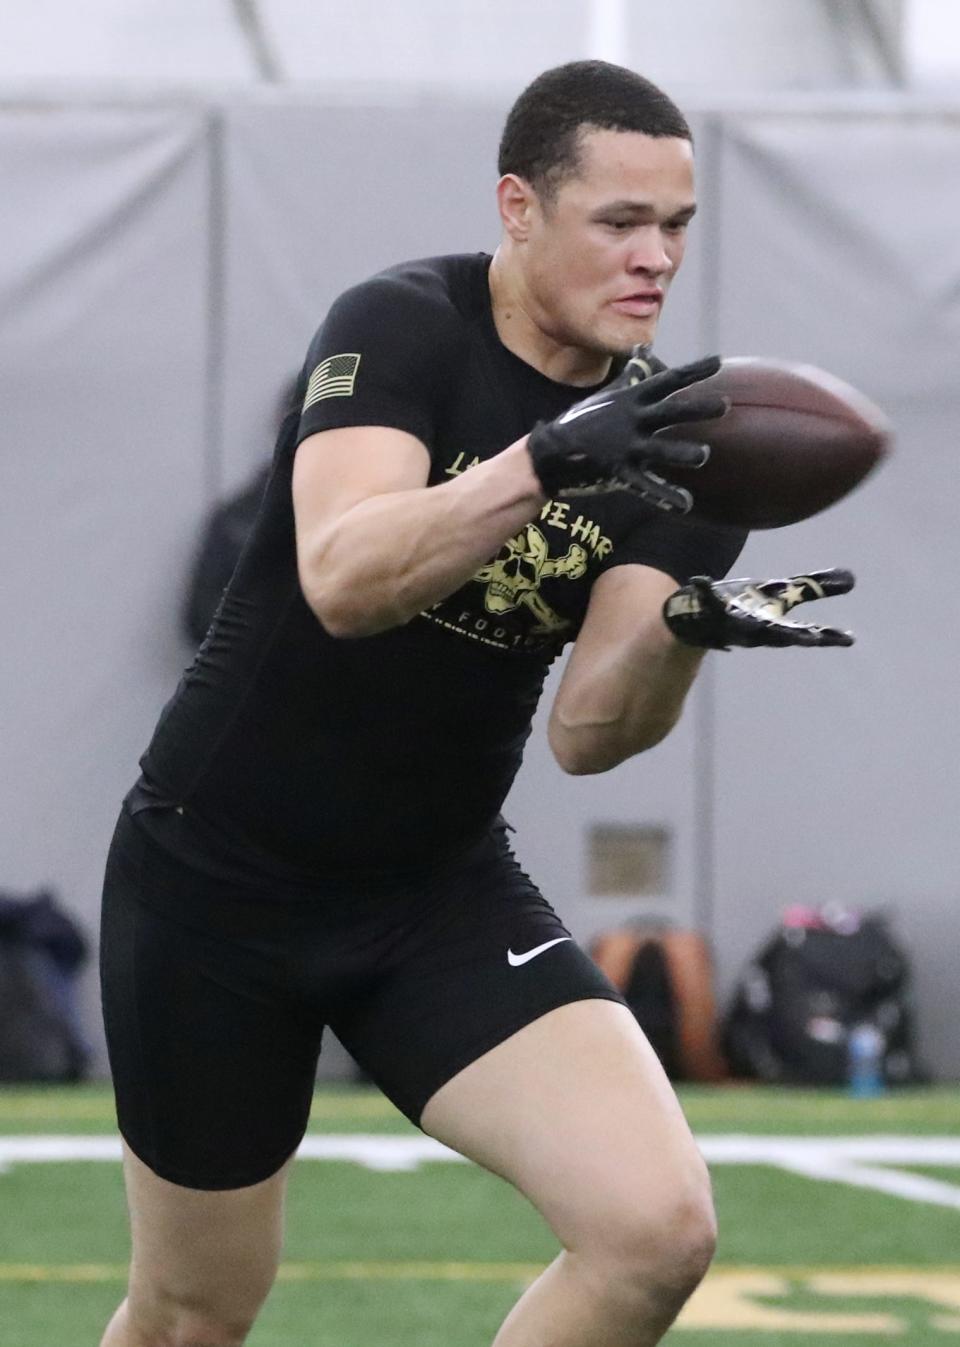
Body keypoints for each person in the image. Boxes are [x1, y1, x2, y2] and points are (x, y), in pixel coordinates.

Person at [98, 59, 855, 1347]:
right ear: (518, 207)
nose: (655, 257)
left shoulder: (687, 442)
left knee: (654, 1233)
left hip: (430, 895)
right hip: (215, 882)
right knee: (193, 1311)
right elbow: (344, 577)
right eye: (621, 221)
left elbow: (589, 732)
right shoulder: (403, 326)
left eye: (676, 225)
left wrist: (682, 630)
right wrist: (543, 463)